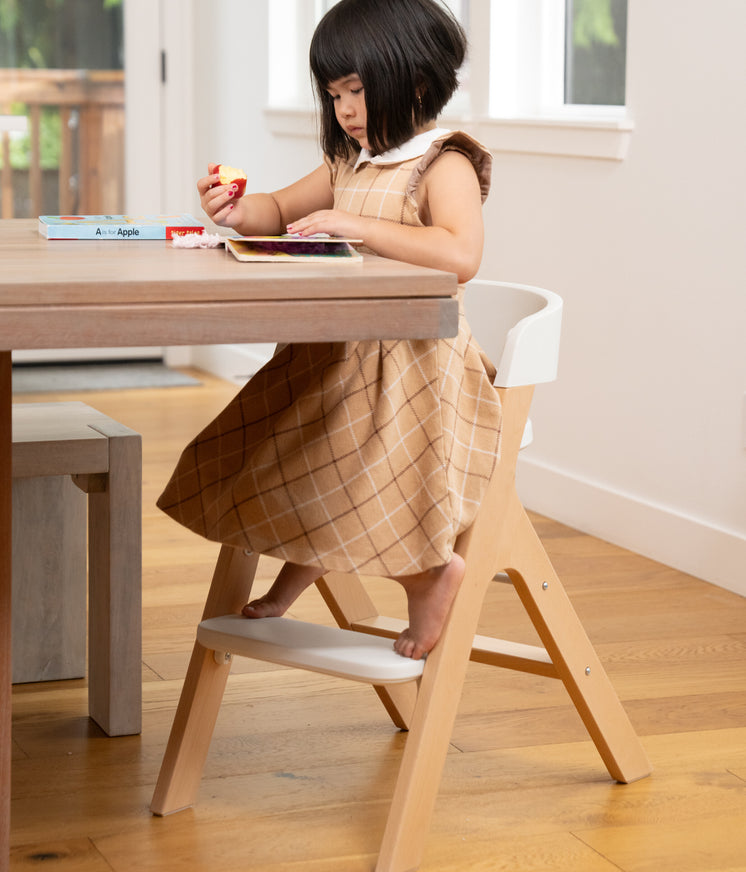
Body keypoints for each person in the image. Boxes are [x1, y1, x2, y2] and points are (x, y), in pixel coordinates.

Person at [157, 0, 502, 660]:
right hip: (342, 349)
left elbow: (462, 255)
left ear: (418, 80)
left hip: (415, 362)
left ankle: (427, 574)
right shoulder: (348, 160)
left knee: (332, 444)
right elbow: (278, 210)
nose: (345, 109)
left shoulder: (442, 162)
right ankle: (302, 568)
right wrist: (236, 209)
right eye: (334, 93)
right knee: (272, 439)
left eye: (357, 90)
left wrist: (360, 227)